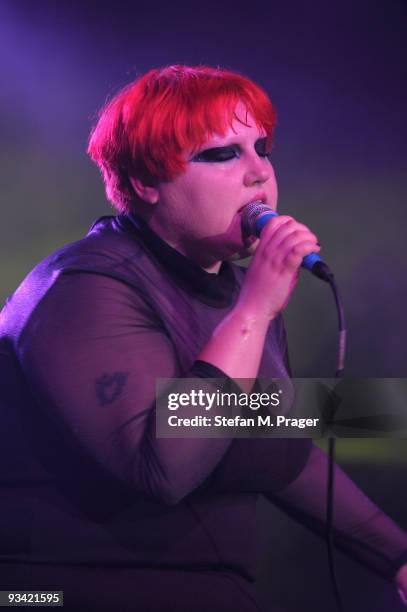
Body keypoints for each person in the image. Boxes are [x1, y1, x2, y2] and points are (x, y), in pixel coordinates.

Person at [0, 64, 406, 611]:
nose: (259, 173)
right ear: (146, 181)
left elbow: (276, 436)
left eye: (262, 148)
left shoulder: (234, 295)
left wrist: (397, 558)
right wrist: (254, 311)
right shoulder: (83, 287)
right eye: (224, 154)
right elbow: (165, 463)